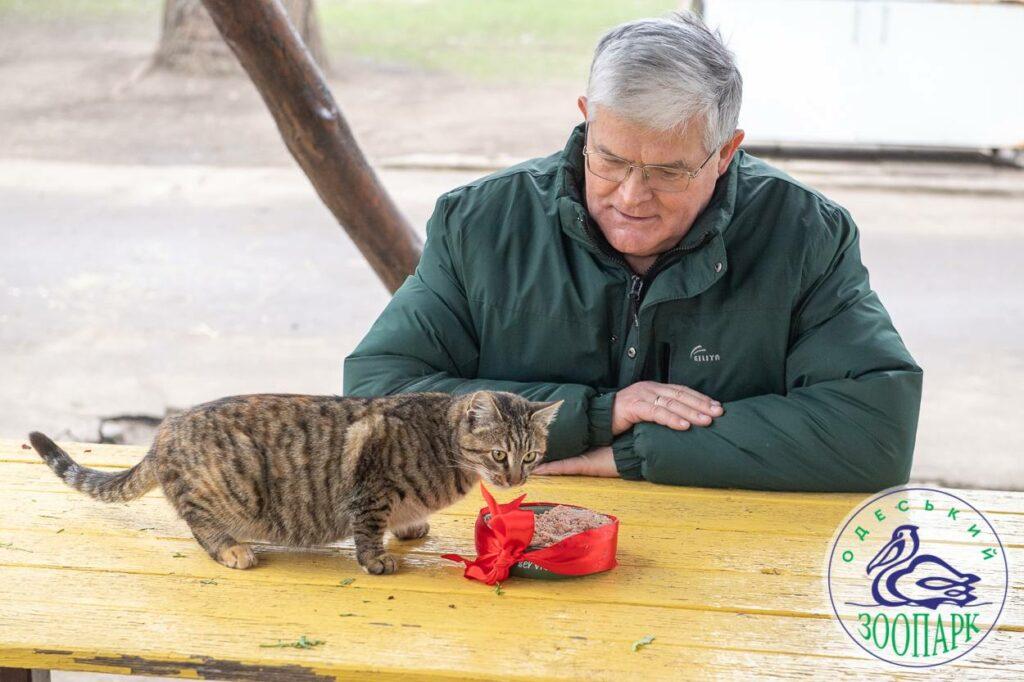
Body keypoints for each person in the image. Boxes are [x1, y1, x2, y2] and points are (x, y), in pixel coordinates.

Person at [343, 11, 922, 491]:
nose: (630, 197)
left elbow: (874, 432)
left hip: (728, 568)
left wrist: (636, 453)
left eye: (668, 171)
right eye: (612, 158)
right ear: (586, 120)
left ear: (725, 153)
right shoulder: (480, 222)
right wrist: (599, 413)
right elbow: (378, 395)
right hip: (505, 556)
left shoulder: (805, 234)